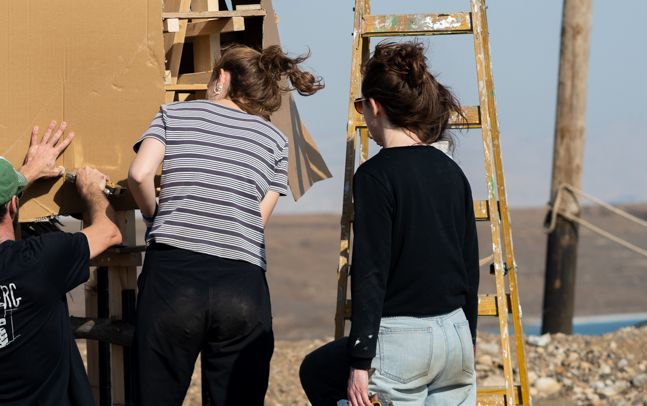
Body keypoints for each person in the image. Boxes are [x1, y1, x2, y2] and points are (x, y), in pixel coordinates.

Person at [126, 45, 324, 406]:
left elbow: (139, 175)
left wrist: (156, 218)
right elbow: (255, 221)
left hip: (173, 277)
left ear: (222, 78)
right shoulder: (275, 141)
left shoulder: (173, 115)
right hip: (242, 287)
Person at [297, 41, 478, 406]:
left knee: (317, 373)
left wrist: (360, 361)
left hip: (403, 339)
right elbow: (469, 267)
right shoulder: (453, 172)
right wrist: (468, 338)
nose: (363, 115)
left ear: (375, 106)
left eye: (361, 106)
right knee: (317, 367)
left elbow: (370, 272)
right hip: (456, 336)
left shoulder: (374, 176)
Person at [0, 122, 123, 406]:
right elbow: (110, 231)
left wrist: (25, 175)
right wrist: (91, 191)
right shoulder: (41, 259)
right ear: (14, 205)